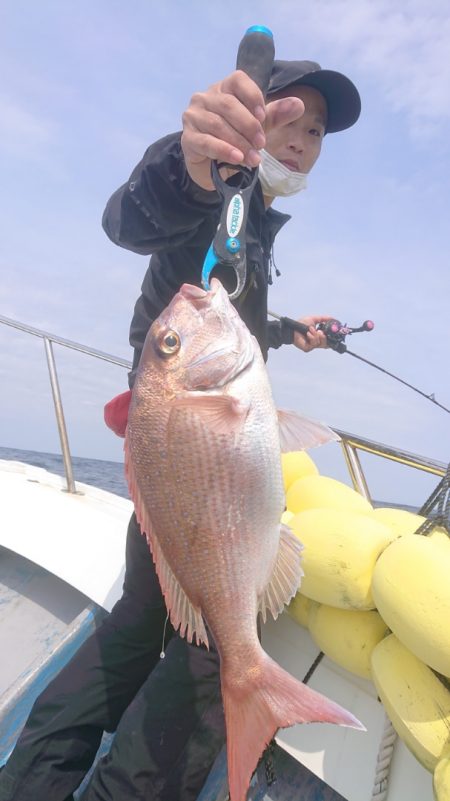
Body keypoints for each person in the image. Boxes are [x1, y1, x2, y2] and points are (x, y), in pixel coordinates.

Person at [0, 58, 360, 801]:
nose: (303, 140)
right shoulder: (217, 187)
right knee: (207, 653)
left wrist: (293, 331)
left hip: (183, 462)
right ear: (255, 116)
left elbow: (229, 312)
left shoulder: (251, 221)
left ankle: (26, 782)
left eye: (317, 131)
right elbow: (137, 219)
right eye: (291, 117)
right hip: (191, 456)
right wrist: (189, 160)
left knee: (136, 622)